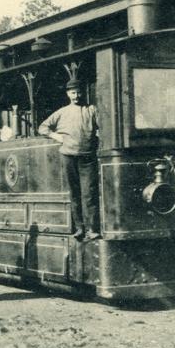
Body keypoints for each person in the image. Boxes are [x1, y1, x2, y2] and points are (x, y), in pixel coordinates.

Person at [38, 78, 101, 241]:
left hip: (87, 157)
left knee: (89, 193)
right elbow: (42, 128)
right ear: (68, 94)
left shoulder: (91, 110)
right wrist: (56, 136)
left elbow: (102, 126)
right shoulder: (62, 112)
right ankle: (79, 228)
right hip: (68, 156)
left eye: (79, 92)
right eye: (73, 92)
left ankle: (92, 229)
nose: (76, 95)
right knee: (75, 194)